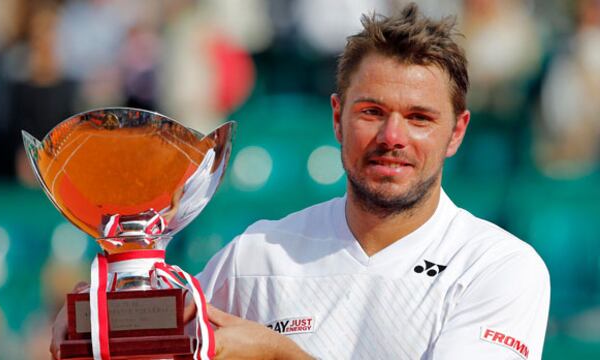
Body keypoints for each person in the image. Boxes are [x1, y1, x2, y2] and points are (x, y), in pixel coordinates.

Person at [51, 3, 549, 359]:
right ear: (336, 119)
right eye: (371, 112)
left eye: (420, 118)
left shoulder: (499, 268)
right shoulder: (257, 254)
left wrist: (279, 355)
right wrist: (97, 329)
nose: (392, 136)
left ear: (457, 132)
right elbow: (170, 339)